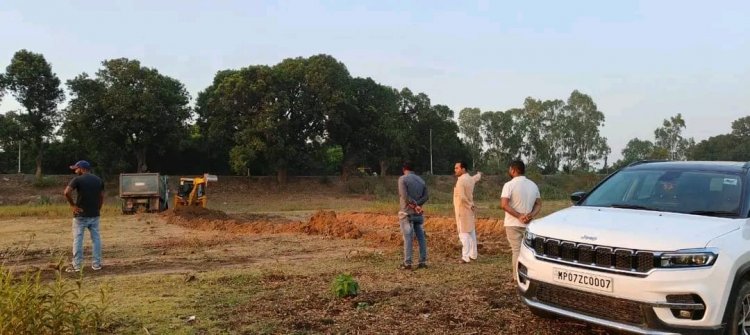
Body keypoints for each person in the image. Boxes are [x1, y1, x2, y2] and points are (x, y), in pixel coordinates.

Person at [501, 160, 541, 282]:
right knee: (528, 252)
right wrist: (530, 215)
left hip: (513, 224)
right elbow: (538, 204)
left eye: (510, 169)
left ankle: (517, 277)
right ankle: (530, 275)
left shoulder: (509, 185)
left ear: (513, 170)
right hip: (528, 224)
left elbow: (504, 204)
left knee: (516, 251)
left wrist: (519, 216)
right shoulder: (533, 185)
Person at [63, 160, 105, 272]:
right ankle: (96, 264)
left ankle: (77, 266)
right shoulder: (98, 180)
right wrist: (98, 209)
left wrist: (73, 205)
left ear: (82, 169)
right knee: (96, 239)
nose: (76, 171)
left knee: (78, 239)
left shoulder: (77, 180)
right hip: (95, 214)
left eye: (76, 169)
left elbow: (66, 192)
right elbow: (101, 197)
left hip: (80, 215)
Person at [397, 162, 429, 270]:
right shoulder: (421, 180)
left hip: (407, 213)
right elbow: (426, 197)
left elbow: (404, 196)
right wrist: (418, 205)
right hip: (418, 214)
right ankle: (423, 261)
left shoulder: (402, 179)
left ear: (404, 169)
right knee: (421, 238)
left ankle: (408, 263)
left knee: (408, 238)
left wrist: (414, 205)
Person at [453, 161, 482, 263]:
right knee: (471, 232)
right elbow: (476, 178)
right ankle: (473, 255)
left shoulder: (460, 181)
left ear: (463, 169)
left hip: (462, 210)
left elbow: (462, 197)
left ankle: (465, 257)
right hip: (469, 210)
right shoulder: (470, 179)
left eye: (457, 168)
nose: (455, 170)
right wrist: (479, 174)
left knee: (463, 234)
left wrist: (470, 205)